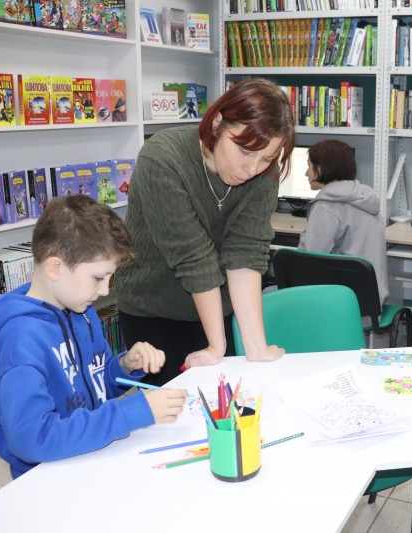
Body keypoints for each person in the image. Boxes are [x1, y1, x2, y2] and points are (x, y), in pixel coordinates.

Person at [0, 195, 187, 480]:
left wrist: (124, 366)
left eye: (109, 278)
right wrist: (130, 413)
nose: (105, 290)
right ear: (55, 267)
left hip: (92, 456)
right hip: (47, 477)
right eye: (98, 277)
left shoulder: (80, 310)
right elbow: (33, 439)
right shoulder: (20, 341)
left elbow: (94, 388)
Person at [114, 78, 295, 385]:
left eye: (266, 158)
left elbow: (246, 252)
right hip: (153, 310)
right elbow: (193, 257)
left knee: (229, 402)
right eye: (244, 151)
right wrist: (216, 346)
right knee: (171, 408)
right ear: (217, 124)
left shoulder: (264, 172)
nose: (252, 169)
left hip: (216, 309)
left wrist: (256, 348)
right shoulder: (162, 159)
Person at [298, 139, 389, 304]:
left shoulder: (326, 206)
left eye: (309, 166)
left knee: (267, 293)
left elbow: (307, 261)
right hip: (371, 302)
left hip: (341, 304)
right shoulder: (365, 198)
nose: (306, 173)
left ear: (321, 169)